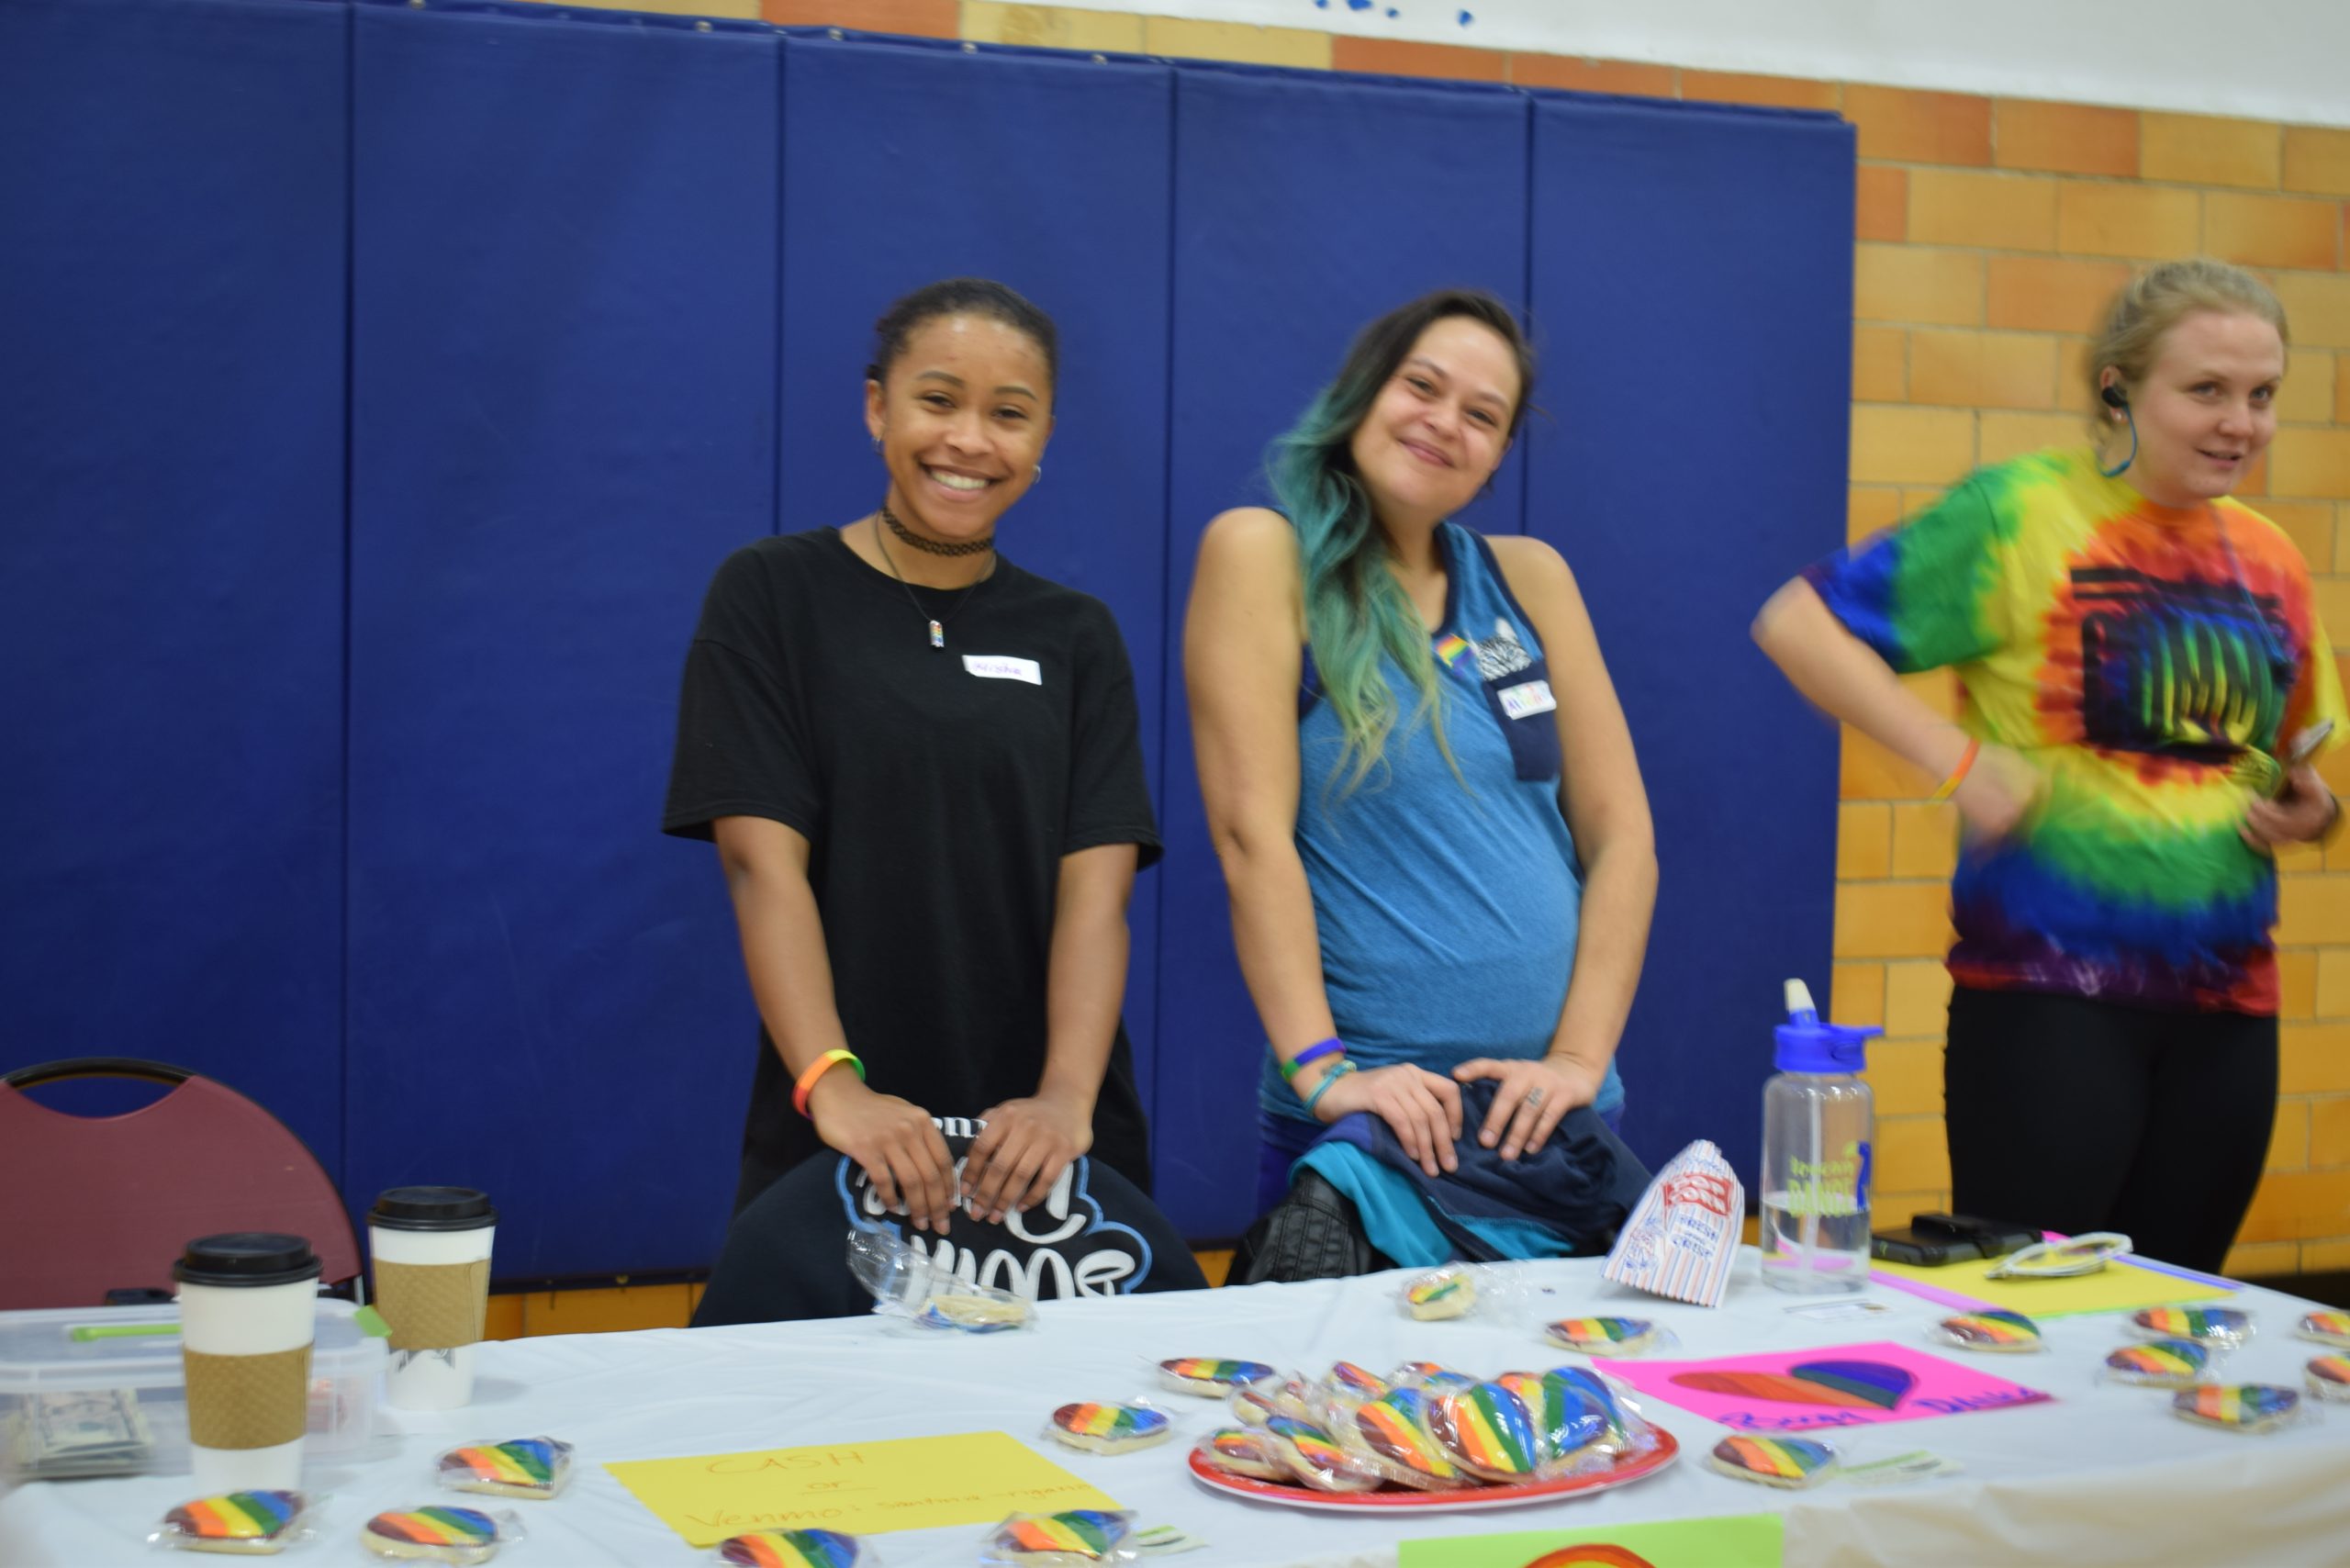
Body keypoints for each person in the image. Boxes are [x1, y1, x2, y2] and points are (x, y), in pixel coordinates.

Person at [1752, 258, 2344, 1275]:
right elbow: (1796, 623)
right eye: (2204, 390)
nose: (2237, 422)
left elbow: (2293, 759)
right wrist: (1958, 761)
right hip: (2050, 992)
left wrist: (2313, 810)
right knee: (2034, 1310)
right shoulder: (2018, 514)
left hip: (2227, 1002)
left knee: (2172, 1312)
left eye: (2261, 396)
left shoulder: (2269, 559)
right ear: (2120, 388)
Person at [665, 278, 1185, 1308]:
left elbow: (1099, 893)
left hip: (1043, 1149)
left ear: (1041, 440)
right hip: (845, 1134)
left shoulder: (1076, 634)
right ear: (877, 410)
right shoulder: (771, 594)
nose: (969, 441)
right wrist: (836, 1085)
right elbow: (762, 865)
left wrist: (1063, 1101)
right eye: (937, 400)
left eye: (1007, 413)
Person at [1184, 288, 1658, 1258]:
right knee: (1351, 1413)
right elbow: (1249, 837)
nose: (1445, 422)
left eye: (1482, 414)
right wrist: (1323, 1074)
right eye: (1423, 386)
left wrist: (1576, 1058)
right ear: (1364, 391)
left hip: (1550, 1129)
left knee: (1552, 1409)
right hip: (1376, 1140)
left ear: (1496, 457)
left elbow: (1622, 841)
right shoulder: (1264, 555)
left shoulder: (1529, 580)